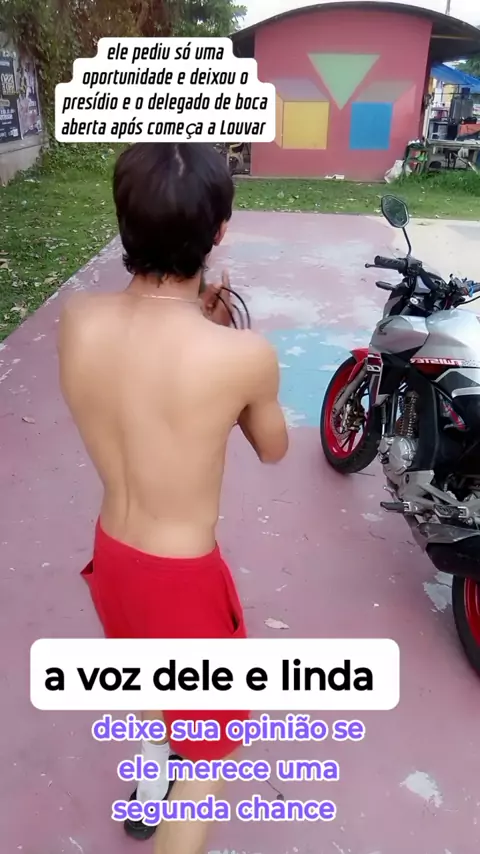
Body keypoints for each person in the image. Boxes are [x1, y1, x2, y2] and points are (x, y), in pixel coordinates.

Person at [57, 142, 289, 854]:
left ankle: (150, 777)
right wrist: (225, 341)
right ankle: (168, 782)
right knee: (208, 766)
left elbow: (145, 376)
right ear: (219, 230)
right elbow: (274, 448)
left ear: (125, 222)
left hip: (113, 560)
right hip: (182, 584)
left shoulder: (77, 320)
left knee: (149, 688)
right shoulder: (242, 356)